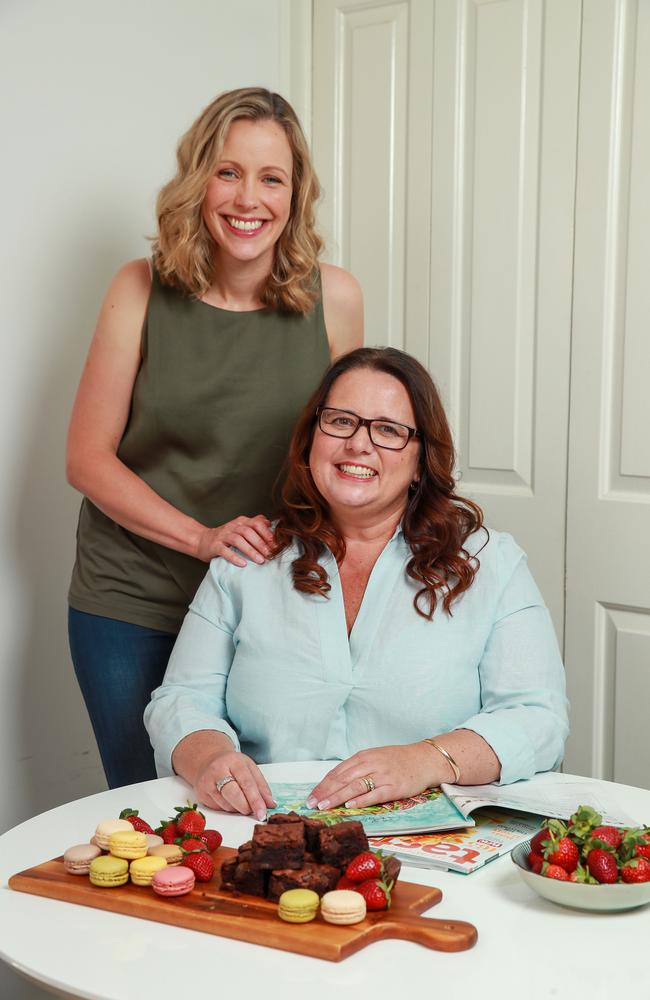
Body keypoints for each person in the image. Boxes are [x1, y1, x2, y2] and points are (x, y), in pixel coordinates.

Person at [66, 88, 363, 789]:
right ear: (199, 180)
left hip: (268, 598)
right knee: (152, 813)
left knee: (258, 808)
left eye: (271, 178)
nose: (247, 198)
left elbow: (346, 455)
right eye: (228, 172)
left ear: (296, 194)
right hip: (132, 596)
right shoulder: (139, 289)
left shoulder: (336, 299)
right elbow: (86, 458)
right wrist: (200, 539)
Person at [144, 347, 569, 820]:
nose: (358, 444)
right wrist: (211, 760)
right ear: (311, 439)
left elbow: (538, 718)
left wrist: (425, 759)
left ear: (420, 460)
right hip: (265, 829)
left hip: (436, 839)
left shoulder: (491, 563)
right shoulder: (247, 560)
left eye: (388, 430)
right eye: (341, 421)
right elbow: (181, 699)